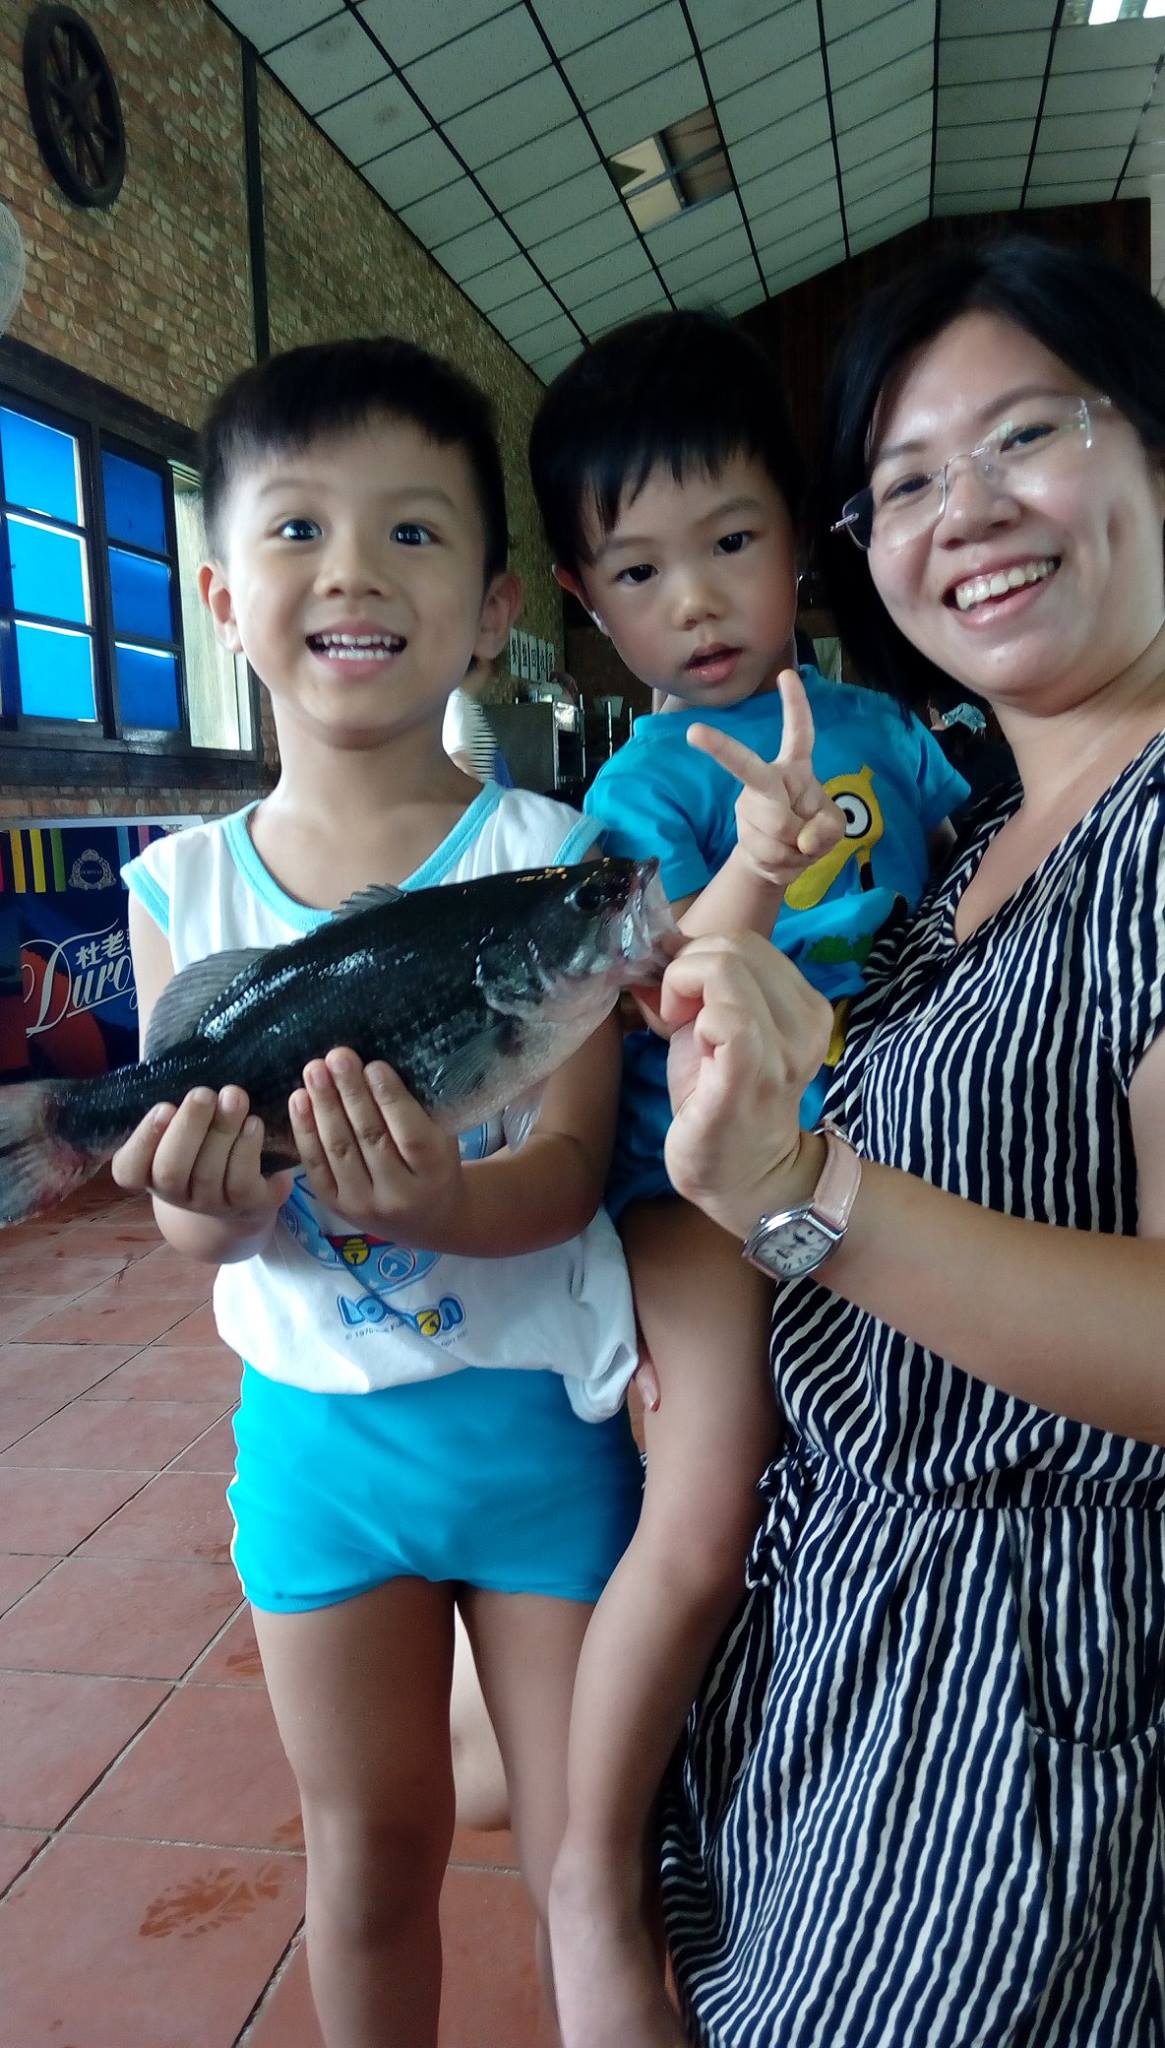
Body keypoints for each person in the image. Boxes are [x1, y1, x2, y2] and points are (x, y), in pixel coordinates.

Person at [651, 237, 1165, 2048]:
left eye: (1025, 433)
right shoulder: (975, 855)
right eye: (904, 480)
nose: (968, 510)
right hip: (848, 1651)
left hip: (1027, 1724)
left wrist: (807, 1194)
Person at [107, 335, 650, 2048]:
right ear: (219, 596)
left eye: (411, 531)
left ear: (492, 609)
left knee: (585, 1867)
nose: (350, 572)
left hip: (539, 1444)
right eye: (297, 530)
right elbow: (202, 1229)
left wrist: (437, 1208)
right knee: (366, 1856)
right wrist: (207, 1195)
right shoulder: (179, 886)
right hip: (317, 1454)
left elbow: (565, 1173)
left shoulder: (552, 867)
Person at [517, 309, 970, 2048]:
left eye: (727, 544)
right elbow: (663, 990)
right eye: (640, 573)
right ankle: (589, 1875)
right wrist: (759, 865)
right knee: (707, 1511)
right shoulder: (643, 788)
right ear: (586, 601)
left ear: (799, 534)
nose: (694, 602)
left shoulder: (892, 730)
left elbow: (981, 882)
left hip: (876, 1169)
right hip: (695, 1196)